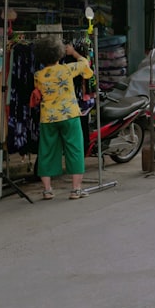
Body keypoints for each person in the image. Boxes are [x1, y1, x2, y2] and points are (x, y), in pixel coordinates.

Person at [33, 37, 94, 200]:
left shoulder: (38, 75)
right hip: (69, 115)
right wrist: (74, 53)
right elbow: (84, 64)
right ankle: (76, 189)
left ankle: (47, 190)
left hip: (48, 118)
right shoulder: (67, 70)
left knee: (46, 152)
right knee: (75, 149)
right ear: (59, 54)